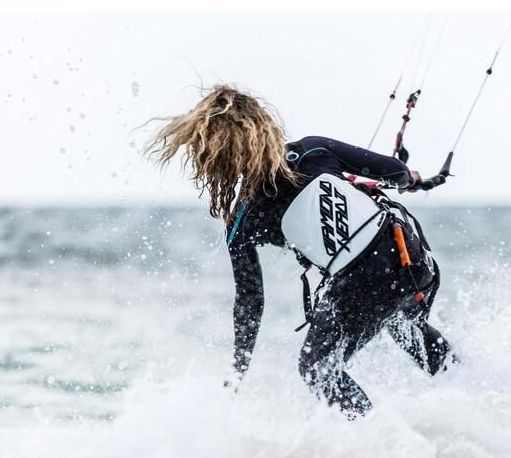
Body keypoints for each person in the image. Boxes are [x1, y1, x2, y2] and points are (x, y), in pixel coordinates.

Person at [147, 85, 453, 418]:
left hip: (360, 284)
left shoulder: (243, 219)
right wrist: (410, 178)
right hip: (408, 256)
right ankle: (468, 387)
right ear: (264, 125)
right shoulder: (313, 150)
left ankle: (381, 437)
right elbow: (394, 172)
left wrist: (238, 369)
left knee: (317, 368)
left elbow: (250, 302)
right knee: (402, 319)